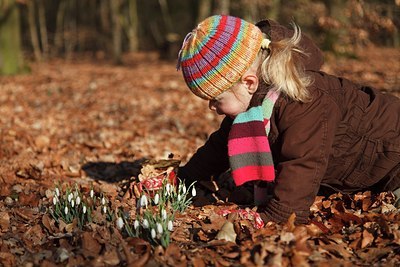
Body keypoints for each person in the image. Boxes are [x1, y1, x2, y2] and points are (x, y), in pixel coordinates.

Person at [176, 15, 400, 224]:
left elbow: (302, 163)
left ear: (249, 83)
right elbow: (220, 147)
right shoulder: (253, 108)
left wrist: (278, 216)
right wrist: (185, 178)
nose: (211, 107)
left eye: (215, 99)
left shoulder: (305, 101)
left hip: (392, 163)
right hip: (360, 173)